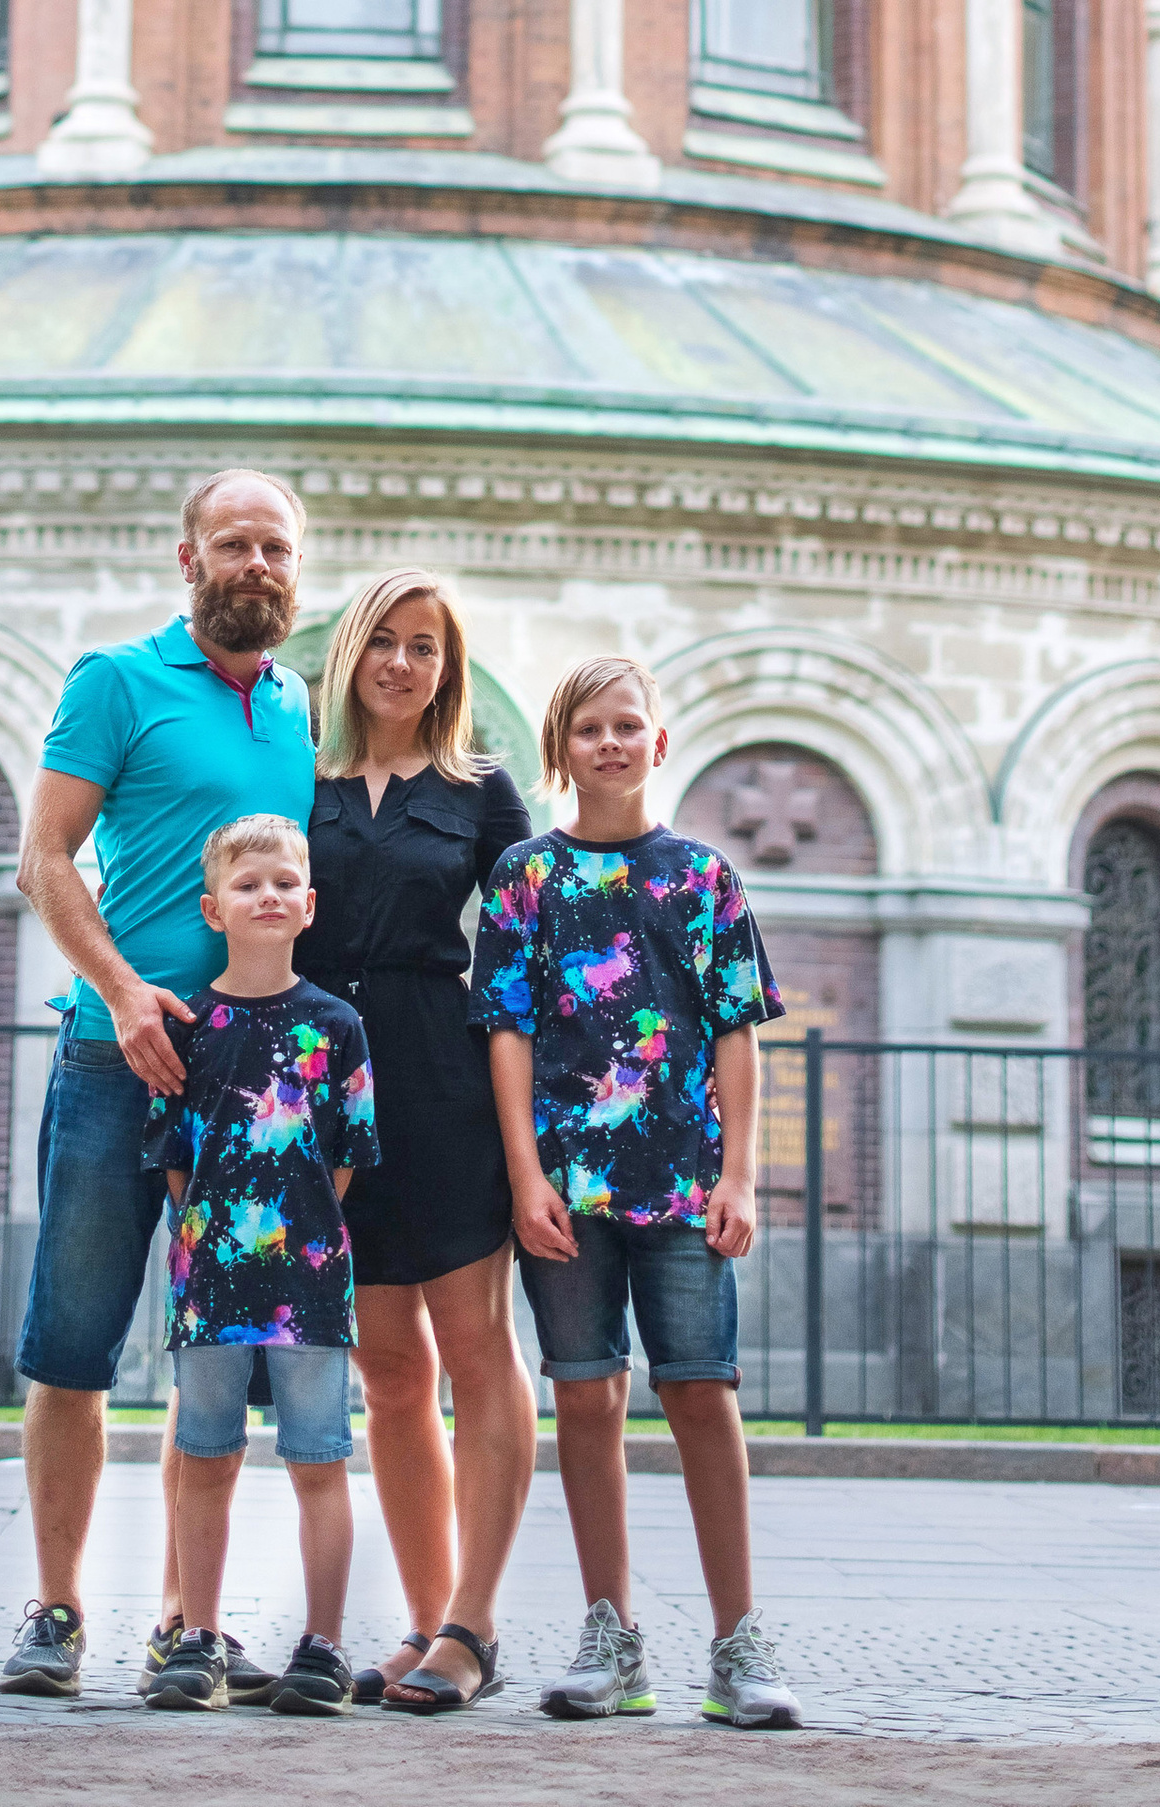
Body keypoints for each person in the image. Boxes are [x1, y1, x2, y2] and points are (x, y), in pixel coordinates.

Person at [4, 468, 317, 1704]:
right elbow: (42, 858)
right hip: (112, 1061)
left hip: (249, 1083)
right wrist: (128, 993)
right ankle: (56, 1609)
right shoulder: (115, 681)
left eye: (276, 547)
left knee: (221, 1355)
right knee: (72, 1347)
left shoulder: (298, 703)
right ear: (186, 559)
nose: (256, 563)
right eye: (233, 543)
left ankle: (191, 1622)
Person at [473, 654, 802, 1731]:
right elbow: (509, 1034)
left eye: (627, 725)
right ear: (558, 752)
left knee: (702, 1391)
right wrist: (525, 1178)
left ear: (657, 743)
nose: (608, 743)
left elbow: (739, 1034)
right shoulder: (525, 878)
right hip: (567, 1192)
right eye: (586, 729)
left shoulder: (704, 878)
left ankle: (737, 1642)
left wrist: (740, 1174)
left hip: (684, 1188)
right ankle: (609, 1639)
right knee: (585, 1396)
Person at [307, 568, 534, 1711]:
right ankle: (425, 1618)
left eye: (427, 647)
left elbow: (533, 949)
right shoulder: (299, 782)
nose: (403, 662)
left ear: (448, 669)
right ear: (350, 652)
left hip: (442, 1080)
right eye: (385, 641)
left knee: (476, 1349)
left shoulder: (482, 792)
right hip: (326, 1096)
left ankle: (475, 1625)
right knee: (390, 1372)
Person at [139, 815, 379, 1714]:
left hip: (309, 1285)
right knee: (206, 1454)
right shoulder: (188, 1028)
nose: (267, 894)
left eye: (284, 881)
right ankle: (196, 1636)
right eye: (247, 885)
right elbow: (171, 1156)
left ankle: (321, 1645)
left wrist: (301, 1230)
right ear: (214, 908)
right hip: (210, 1286)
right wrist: (212, 1238)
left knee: (319, 1457)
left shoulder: (338, 1026)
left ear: (309, 904)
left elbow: (347, 1154)